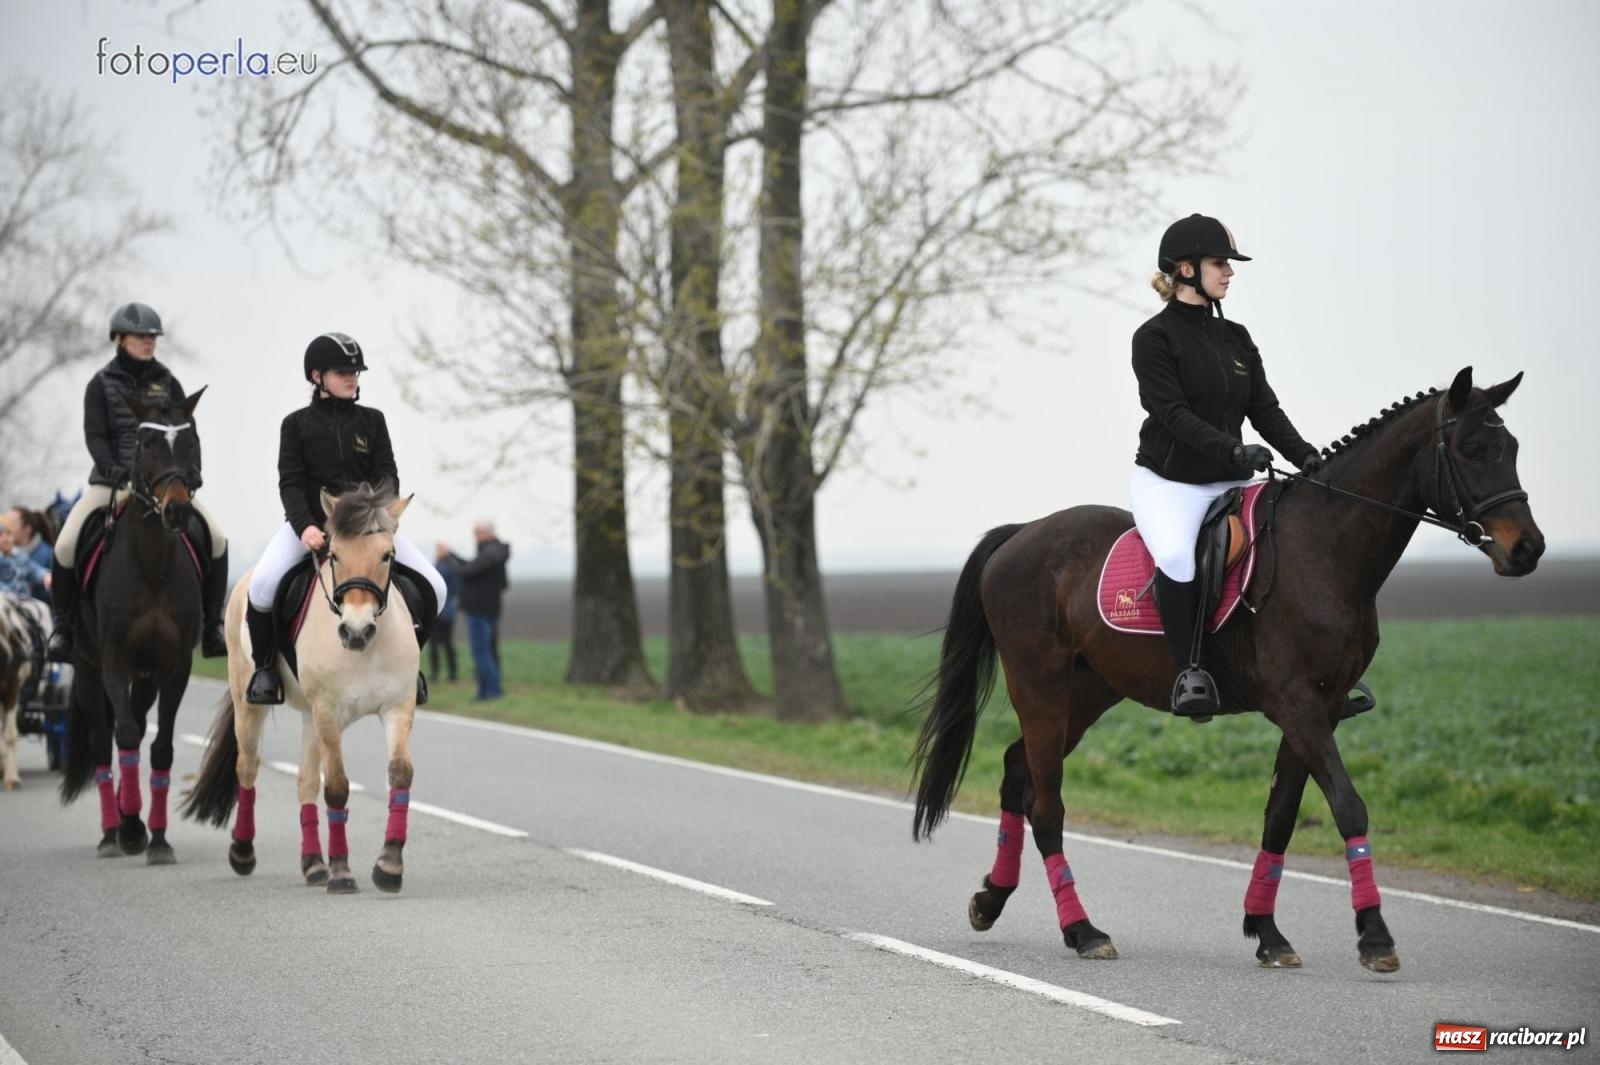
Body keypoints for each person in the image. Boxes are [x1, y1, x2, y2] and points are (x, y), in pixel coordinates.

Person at [1131, 215, 1327, 720]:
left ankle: (1315, 668)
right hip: (1171, 484)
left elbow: (1263, 409)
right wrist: (1235, 452)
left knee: (1293, 541)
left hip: (1230, 477)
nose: (1229, 274)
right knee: (1176, 555)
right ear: (1186, 269)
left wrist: (1304, 454)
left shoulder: (1236, 337)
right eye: (1221, 264)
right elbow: (1172, 416)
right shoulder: (1152, 339)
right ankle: (1192, 672)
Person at [242, 332, 445, 707]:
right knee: (263, 586)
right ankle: (266, 670)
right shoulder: (296, 424)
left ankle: (408, 667)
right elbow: (291, 483)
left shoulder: (372, 420)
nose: (352, 378)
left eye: (356, 371)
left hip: (367, 530)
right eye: (343, 372)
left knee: (436, 585)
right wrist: (304, 526)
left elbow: (388, 476)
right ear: (317, 376)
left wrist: (379, 518)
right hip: (312, 527)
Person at [47, 303, 229, 661]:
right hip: (112, 482)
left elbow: (189, 435)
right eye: (141, 336)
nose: (149, 342)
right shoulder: (100, 384)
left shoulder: (169, 382)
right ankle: (64, 629)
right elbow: (95, 435)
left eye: (153, 337)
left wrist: (192, 474)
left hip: (165, 482)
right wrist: (113, 469)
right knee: (66, 544)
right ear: (119, 338)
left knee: (217, 538)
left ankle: (212, 627)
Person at [448, 521, 509, 701]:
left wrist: (450, 559)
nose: (475, 536)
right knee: (487, 650)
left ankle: (492, 691)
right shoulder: (494, 553)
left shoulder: (490, 553)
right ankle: (485, 692)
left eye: (477, 532)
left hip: (480, 610)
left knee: (481, 652)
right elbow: (474, 567)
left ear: (487, 533)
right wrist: (452, 555)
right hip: (490, 609)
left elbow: (467, 571)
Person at [429, 542, 460, 683]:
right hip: (446, 610)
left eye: (440, 549)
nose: (438, 551)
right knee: (443, 643)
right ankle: (450, 673)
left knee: (441, 643)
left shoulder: (446, 566)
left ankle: (441, 673)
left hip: (442, 610)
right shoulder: (450, 564)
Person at [0, 522, 50, 600]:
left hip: (23, 597)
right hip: (5, 598)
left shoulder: (20, 555)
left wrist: (44, 576)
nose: (5, 538)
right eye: (0, 535)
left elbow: (33, 569)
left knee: (42, 608)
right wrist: (6, 592)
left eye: (9, 534)